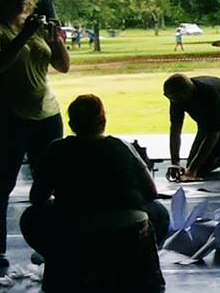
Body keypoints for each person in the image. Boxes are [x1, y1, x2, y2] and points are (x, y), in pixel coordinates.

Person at [0, 0, 70, 273]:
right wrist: (26, 34)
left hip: (47, 113)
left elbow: (63, 66)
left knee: (50, 186)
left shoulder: (34, 25)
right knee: (0, 185)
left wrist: (55, 39)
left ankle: (49, 246)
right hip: (9, 117)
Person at [21, 94, 170, 255]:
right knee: (159, 211)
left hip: (74, 223)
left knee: (31, 217)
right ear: (103, 121)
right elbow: (151, 192)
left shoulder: (56, 149)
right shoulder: (122, 146)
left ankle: (57, 256)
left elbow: (37, 197)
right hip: (126, 225)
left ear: (71, 124)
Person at [163, 72, 220, 179]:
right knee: (199, 169)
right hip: (207, 125)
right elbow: (175, 130)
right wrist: (175, 163)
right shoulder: (176, 95)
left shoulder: (209, 94)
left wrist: (191, 171)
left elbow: (213, 135)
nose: (169, 100)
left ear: (184, 95)